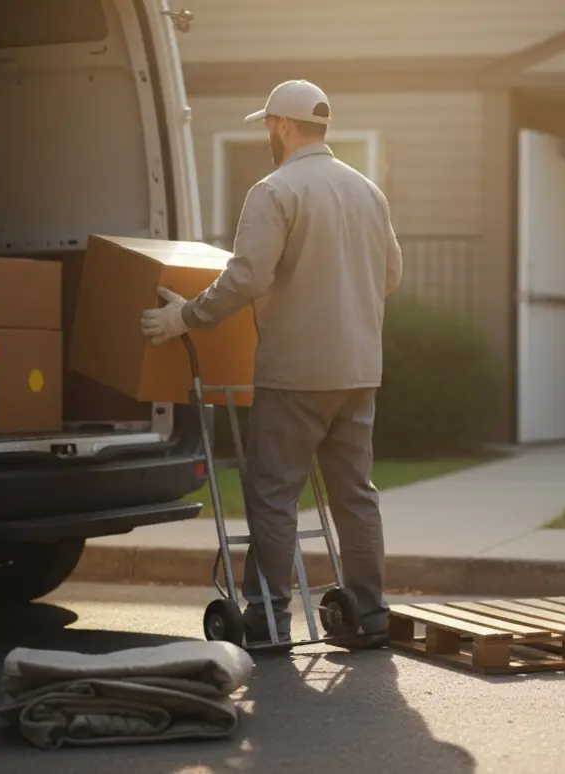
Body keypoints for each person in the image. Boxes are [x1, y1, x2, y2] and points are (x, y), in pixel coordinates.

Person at [140, 80, 403, 649]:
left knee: (273, 492)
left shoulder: (274, 190)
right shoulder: (367, 192)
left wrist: (186, 316)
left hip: (295, 374)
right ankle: (370, 611)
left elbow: (247, 276)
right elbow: (391, 276)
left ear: (282, 125)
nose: (267, 132)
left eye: (267, 124)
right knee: (355, 492)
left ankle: (267, 616)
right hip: (359, 370)